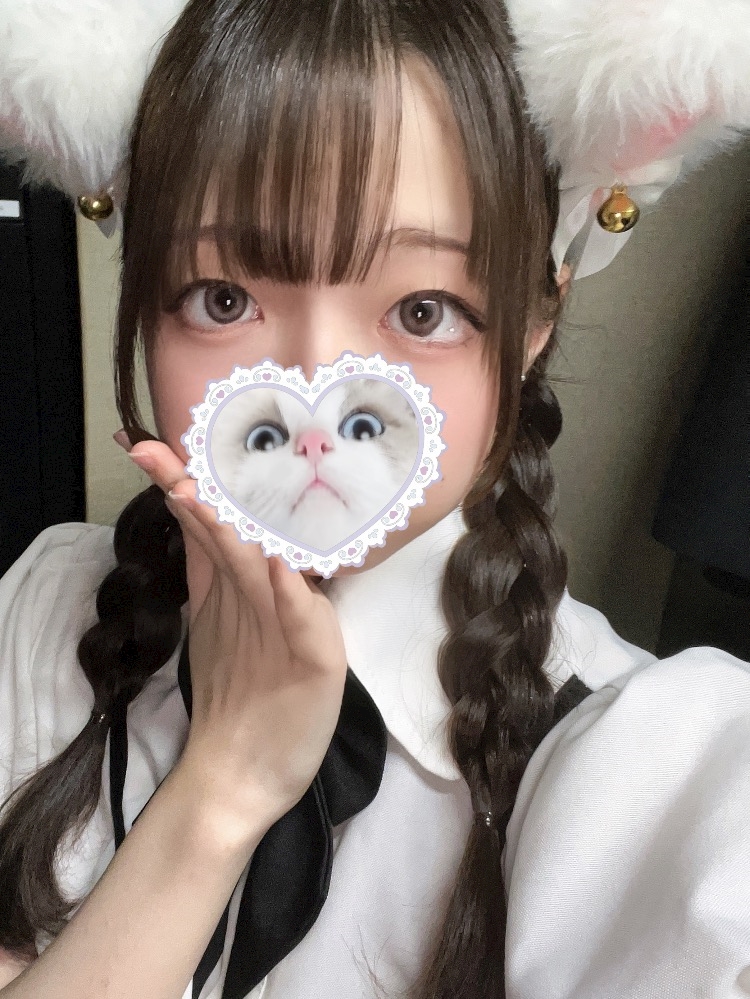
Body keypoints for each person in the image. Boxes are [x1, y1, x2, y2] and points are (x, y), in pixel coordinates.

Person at [0, 2, 749, 998]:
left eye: (421, 311)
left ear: (535, 324)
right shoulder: (45, 614)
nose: (314, 391)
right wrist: (220, 787)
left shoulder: (653, 769)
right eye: (224, 300)